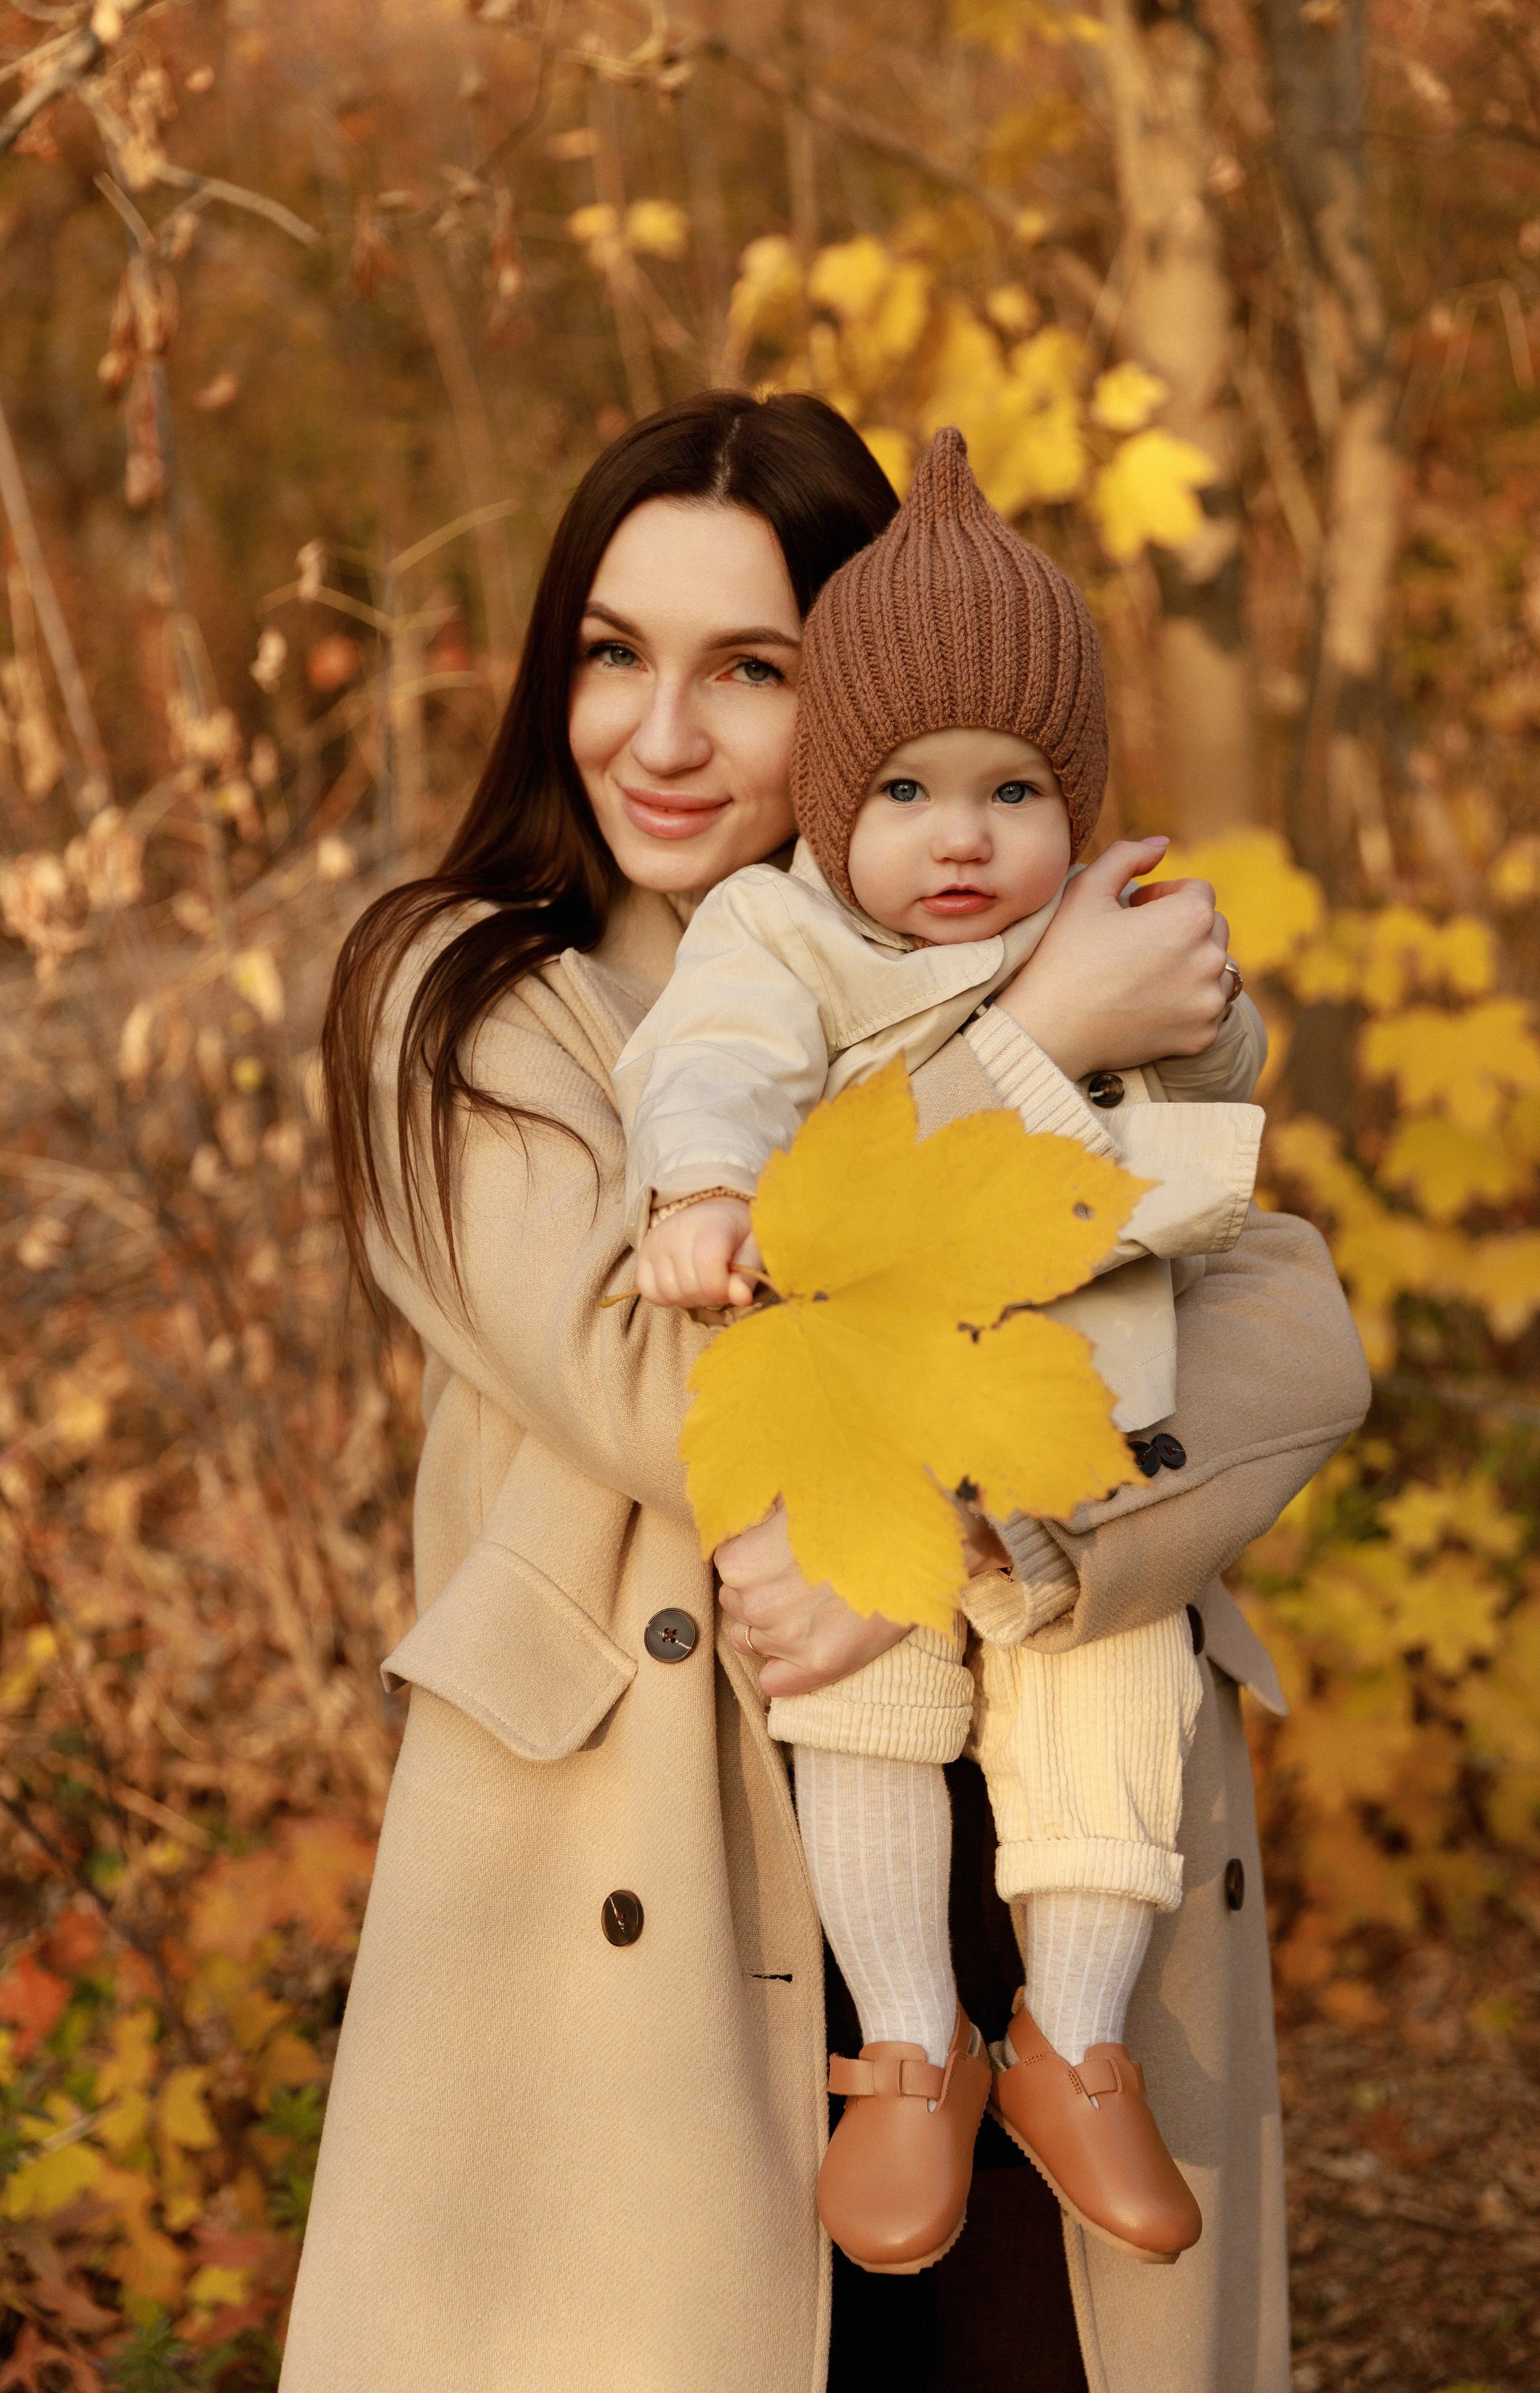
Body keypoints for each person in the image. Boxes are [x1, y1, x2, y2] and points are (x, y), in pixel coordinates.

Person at [293, 389, 1370, 2393]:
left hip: (1034, 1884)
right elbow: (652, 1379)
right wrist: (1037, 1050)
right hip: (670, 1934)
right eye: (614, 654)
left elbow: (1290, 1325)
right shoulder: (467, 1002)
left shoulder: (1069, 955)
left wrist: (964, 1545)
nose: (662, 735)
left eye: (753, 670)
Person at [616, 428, 1267, 2275]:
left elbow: (1232, 1081)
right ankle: (911, 2043)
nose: (959, 839)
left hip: (1076, 1436)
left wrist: (1203, 1011)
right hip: (876, 1410)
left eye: (1011, 793)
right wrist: (704, 1188)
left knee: (1112, 1690)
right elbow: (716, 1057)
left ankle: (1077, 2039)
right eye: (902, 790)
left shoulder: (1112, 922)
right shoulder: (784, 931)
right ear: (833, 805)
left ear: (1080, 801)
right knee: (864, 1712)